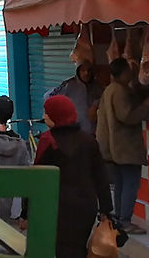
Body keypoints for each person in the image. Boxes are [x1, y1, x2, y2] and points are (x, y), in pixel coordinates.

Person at [20, 95, 114, 258]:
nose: (43, 116)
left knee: (57, 250)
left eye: (47, 113)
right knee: (77, 249)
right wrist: (106, 209)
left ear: (57, 116)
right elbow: (101, 177)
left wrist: (25, 213)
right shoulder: (89, 141)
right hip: (85, 207)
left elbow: (35, 178)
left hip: (56, 207)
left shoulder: (48, 141)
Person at [97, 57, 149, 235]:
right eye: (129, 70)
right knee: (129, 184)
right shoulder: (119, 91)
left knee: (121, 184)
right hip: (124, 147)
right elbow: (127, 116)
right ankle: (125, 221)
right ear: (124, 72)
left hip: (115, 148)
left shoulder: (111, 89)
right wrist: (147, 104)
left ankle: (119, 219)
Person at [44, 62, 104, 135]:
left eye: (89, 70)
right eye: (83, 70)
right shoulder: (69, 85)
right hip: (74, 133)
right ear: (78, 71)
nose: (86, 73)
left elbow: (103, 98)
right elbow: (48, 96)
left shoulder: (97, 87)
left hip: (93, 133)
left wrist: (95, 105)